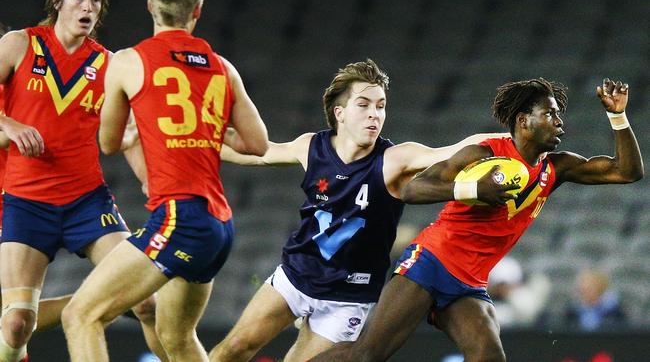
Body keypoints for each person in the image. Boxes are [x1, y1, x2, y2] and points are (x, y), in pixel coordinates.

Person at [309, 77, 643, 361]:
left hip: (470, 281)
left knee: (489, 357)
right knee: (367, 355)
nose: (560, 123)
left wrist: (618, 118)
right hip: (431, 262)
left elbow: (628, 172)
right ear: (524, 120)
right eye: (551, 114)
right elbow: (412, 189)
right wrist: (472, 188)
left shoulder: (557, 167)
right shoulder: (484, 153)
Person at [209, 59, 508, 362]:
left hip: (348, 298)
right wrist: (194, 141)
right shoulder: (311, 146)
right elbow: (259, 153)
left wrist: (512, 142)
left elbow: (455, 149)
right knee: (233, 349)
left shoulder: (395, 159)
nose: (374, 114)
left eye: (380, 106)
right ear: (340, 113)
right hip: (296, 275)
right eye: (363, 105)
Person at [60, 0, 269, 361]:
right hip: (217, 225)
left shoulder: (128, 61)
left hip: (178, 218)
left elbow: (109, 143)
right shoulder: (222, 67)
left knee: (81, 315)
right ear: (198, 11)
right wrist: (208, 129)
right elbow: (257, 143)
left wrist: (132, 135)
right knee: (175, 336)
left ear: (150, 5)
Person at [0, 0, 168, 361]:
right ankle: (87, 304)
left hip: (87, 202)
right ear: (58, 2)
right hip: (25, 203)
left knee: (147, 302)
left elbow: (129, 134)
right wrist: (8, 123)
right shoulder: (20, 44)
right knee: (16, 324)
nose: (88, 6)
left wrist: (149, 183)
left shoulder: (109, 64)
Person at [488, 256, 550, 328]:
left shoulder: (522, 299)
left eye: (505, 284)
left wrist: (511, 295)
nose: (502, 289)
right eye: (499, 285)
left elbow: (527, 313)